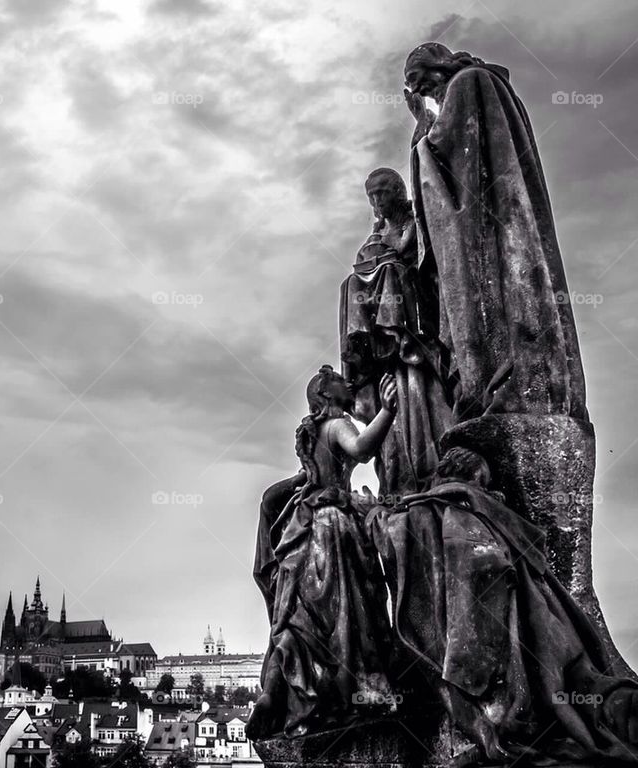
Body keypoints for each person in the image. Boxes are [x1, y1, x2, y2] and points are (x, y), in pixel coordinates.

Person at [371, 447, 638, 763]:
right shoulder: (462, 510)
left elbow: (481, 566)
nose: (484, 490)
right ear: (472, 477)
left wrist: (375, 515)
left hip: (501, 635)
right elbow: (483, 564)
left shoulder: (428, 513)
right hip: (507, 634)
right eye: (481, 482)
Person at [404, 43, 587, 422]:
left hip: (484, 230)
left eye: (417, 81)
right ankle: (490, 387)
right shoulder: (482, 85)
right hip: (488, 220)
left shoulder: (469, 83)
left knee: (490, 307)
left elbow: (441, 151)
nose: (419, 92)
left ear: (437, 67)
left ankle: (497, 387)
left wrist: (421, 126)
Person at [248, 366, 398, 739]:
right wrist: (389, 412)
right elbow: (362, 450)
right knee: (349, 610)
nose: (347, 383)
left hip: (306, 528)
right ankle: (353, 693)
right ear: (327, 397)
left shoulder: (311, 433)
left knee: (302, 616)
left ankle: (285, 691)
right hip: (333, 528)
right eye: (339, 383)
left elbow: (301, 482)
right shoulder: (335, 425)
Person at [340, 168, 451, 494]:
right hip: (381, 292)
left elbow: (419, 258)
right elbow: (365, 260)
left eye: (382, 193)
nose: (376, 200)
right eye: (371, 195)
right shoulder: (376, 234)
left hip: (411, 301)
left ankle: (394, 334)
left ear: (396, 192)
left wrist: (391, 252)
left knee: (388, 269)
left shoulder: (412, 224)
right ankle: (361, 344)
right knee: (350, 282)